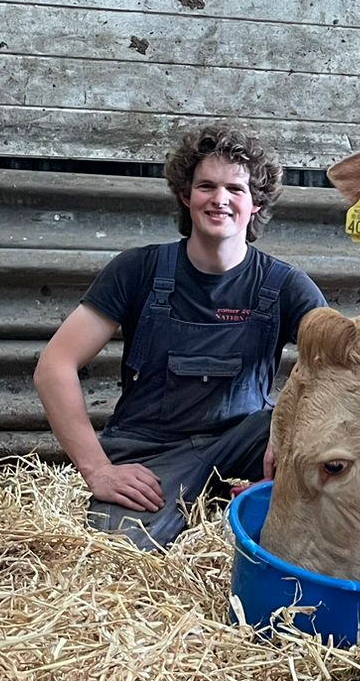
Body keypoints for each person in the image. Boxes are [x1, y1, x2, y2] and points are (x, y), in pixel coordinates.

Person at [34, 125, 328, 548]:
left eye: (235, 189)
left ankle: (251, 503)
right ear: (186, 196)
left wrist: (286, 445)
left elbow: (337, 372)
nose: (220, 199)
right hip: (152, 451)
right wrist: (98, 470)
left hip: (247, 441)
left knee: (332, 478)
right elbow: (54, 366)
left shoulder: (286, 286)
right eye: (206, 186)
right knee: (120, 550)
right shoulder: (137, 270)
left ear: (256, 203)